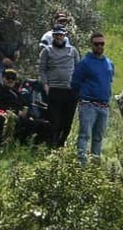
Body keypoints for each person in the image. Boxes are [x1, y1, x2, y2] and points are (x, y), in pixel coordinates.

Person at [72, 31, 114, 165]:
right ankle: (82, 164)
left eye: (102, 44)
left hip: (104, 105)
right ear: (91, 45)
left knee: (98, 137)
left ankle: (95, 164)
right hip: (88, 104)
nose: (100, 47)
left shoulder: (109, 63)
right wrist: (82, 97)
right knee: (85, 135)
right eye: (96, 44)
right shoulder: (85, 63)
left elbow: (109, 81)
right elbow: (75, 83)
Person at [37, 25, 80, 148]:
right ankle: (52, 146)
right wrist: (45, 84)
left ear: (65, 35)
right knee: (54, 121)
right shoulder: (47, 51)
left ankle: (61, 145)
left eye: (61, 35)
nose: (59, 37)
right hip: (54, 89)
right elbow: (42, 70)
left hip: (70, 91)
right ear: (53, 36)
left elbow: (79, 69)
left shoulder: (73, 51)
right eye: (56, 35)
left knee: (67, 123)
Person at [0, 68, 45, 143]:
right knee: (28, 124)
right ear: (2, 78)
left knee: (44, 124)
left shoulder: (15, 92)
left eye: (13, 78)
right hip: (10, 115)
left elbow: (26, 104)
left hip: (24, 115)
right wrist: (16, 112)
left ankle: (42, 147)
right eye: (8, 78)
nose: (10, 80)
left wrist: (30, 115)